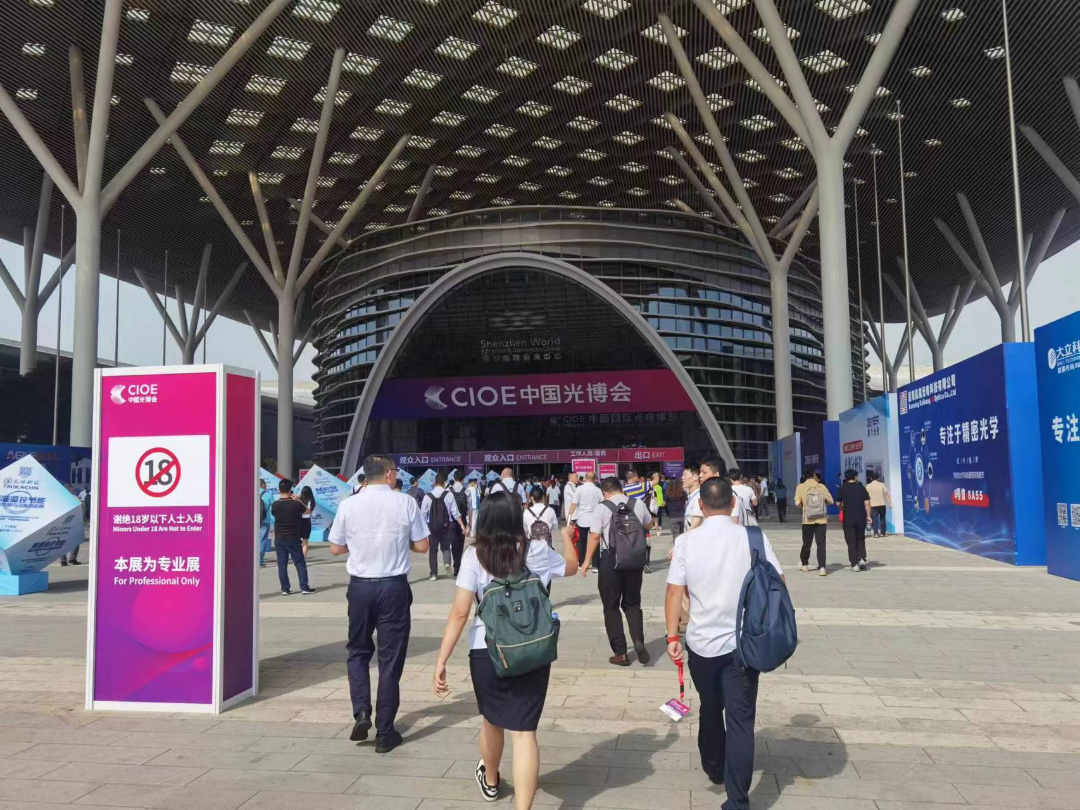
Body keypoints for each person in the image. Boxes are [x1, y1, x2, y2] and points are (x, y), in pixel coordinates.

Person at [433, 492, 579, 809]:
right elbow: (572, 567)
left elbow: (460, 613)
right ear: (516, 518)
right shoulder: (536, 549)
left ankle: (491, 780)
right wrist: (567, 537)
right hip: (532, 649)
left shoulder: (474, 555)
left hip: (487, 650)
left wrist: (441, 660)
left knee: (491, 720)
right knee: (524, 733)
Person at [665, 477, 784, 810]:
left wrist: (672, 636)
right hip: (744, 647)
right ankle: (737, 800)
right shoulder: (754, 538)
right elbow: (779, 583)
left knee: (709, 705)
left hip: (701, 644)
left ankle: (714, 766)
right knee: (741, 720)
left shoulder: (686, 542)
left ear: (701, 506)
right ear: (733, 504)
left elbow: (674, 592)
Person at [329, 454, 430, 753]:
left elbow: (335, 548)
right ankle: (385, 731)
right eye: (395, 471)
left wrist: (361, 544)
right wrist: (399, 543)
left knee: (358, 651)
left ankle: (361, 711)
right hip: (393, 587)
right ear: (388, 474)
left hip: (360, 587)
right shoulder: (405, 502)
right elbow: (422, 545)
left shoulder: (349, 504)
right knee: (390, 659)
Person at [582, 476, 654, 666]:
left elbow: (595, 536)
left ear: (605, 492)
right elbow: (649, 524)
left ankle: (620, 653)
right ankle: (638, 641)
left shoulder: (602, 507)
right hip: (634, 560)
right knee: (632, 603)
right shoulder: (637, 503)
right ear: (621, 489)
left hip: (610, 560)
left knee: (611, 606)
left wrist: (587, 561)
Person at [270, 479, 315, 596]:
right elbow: (308, 511)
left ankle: (285, 589)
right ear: (291, 490)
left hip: (279, 538)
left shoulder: (275, 505)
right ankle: (304, 587)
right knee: (299, 563)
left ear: (279, 490)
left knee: (282, 564)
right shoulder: (296, 504)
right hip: (293, 537)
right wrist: (298, 500)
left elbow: (274, 514)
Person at [422, 474, 467, 580]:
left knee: (433, 550)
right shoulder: (449, 495)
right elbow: (455, 513)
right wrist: (462, 525)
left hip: (432, 527)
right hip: (447, 526)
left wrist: (424, 529)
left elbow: (423, 514)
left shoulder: (427, 496)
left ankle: (433, 573)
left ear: (434, 483)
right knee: (446, 547)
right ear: (444, 483)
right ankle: (447, 563)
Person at [794, 466, 834, 576]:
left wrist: (803, 504)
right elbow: (831, 501)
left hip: (807, 519)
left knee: (807, 543)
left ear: (804, 475)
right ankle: (822, 567)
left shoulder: (801, 487)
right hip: (821, 519)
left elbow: (797, 503)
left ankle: (805, 564)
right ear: (814, 475)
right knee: (821, 544)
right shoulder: (821, 486)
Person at [837, 469, 872, 571]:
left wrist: (842, 508)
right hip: (861, 518)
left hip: (848, 519)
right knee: (860, 538)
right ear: (855, 477)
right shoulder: (861, 488)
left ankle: (854, 564)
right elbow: (867, 503)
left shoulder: (842, 489)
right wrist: (868, 516)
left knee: (851, 541)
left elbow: (838, 503)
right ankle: (862, 559)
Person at [568, 471, 602, 563]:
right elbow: (602, 504)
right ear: (594, 479)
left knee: (581, 542)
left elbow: (574, 504)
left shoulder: (579, 489)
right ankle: (595, 564)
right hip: (594, 519)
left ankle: (581, 561)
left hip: (581, 519)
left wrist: (569, 518)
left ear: (585, 478)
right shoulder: (598, 490)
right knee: (595, 541)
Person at [866, 472, 892, 538]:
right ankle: (883, 533)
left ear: (871, 478)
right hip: (882, 504)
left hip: (873, 505)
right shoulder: (882, 485)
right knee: (882, 519)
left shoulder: (868, 486)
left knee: (874, 520)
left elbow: (866, 497)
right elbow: (886, 495)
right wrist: (889, 504)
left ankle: (876, 534)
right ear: (878, 478)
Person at [258, 479, 275, 568]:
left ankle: (250, 559)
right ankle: (259, 561)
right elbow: (275, 506)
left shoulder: (252, 493)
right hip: (265, 520)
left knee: (252, 541)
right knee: (262, 540)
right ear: (263, 485)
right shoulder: (268, 495)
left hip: (252, 521)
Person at [683, 464, 704, 530]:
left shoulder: (698, 497)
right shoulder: (693, 496)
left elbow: (695, 524)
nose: (682, 478)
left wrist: (686, 535)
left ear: (695, 477)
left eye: (684, 475)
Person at [298, 485, 316, 557]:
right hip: (305, 522)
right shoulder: (311, 501)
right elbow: (309, 512)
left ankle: (299, 559)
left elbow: (308, 511)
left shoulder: (300, 500)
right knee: (304, 542)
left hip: (300, 521)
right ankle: (301, 559)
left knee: (301, 542)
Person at [562, 471, 579, 543]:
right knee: (574, 537)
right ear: (570, 477)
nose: (578, 478)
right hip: (573, 516)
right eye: (576, 476)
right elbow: (577, 497)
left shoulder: (572, 486)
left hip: (573, 515)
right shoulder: (569, 486)